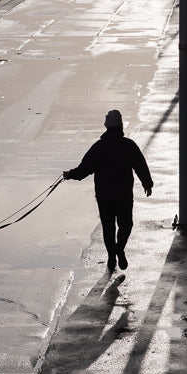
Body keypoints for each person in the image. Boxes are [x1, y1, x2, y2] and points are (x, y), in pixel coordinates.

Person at [63, 109, 153, 273]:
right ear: (120, 125)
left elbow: (85, 169)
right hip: (124, 194)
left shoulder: (99, 147)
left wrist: (70, 175)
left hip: (104, 196)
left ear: (106, 125)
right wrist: (147, 183)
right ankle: (120, 248)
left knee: (108, 228)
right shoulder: (128, 145)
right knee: (126, 225)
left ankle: (112, 256)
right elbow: (140, 165)